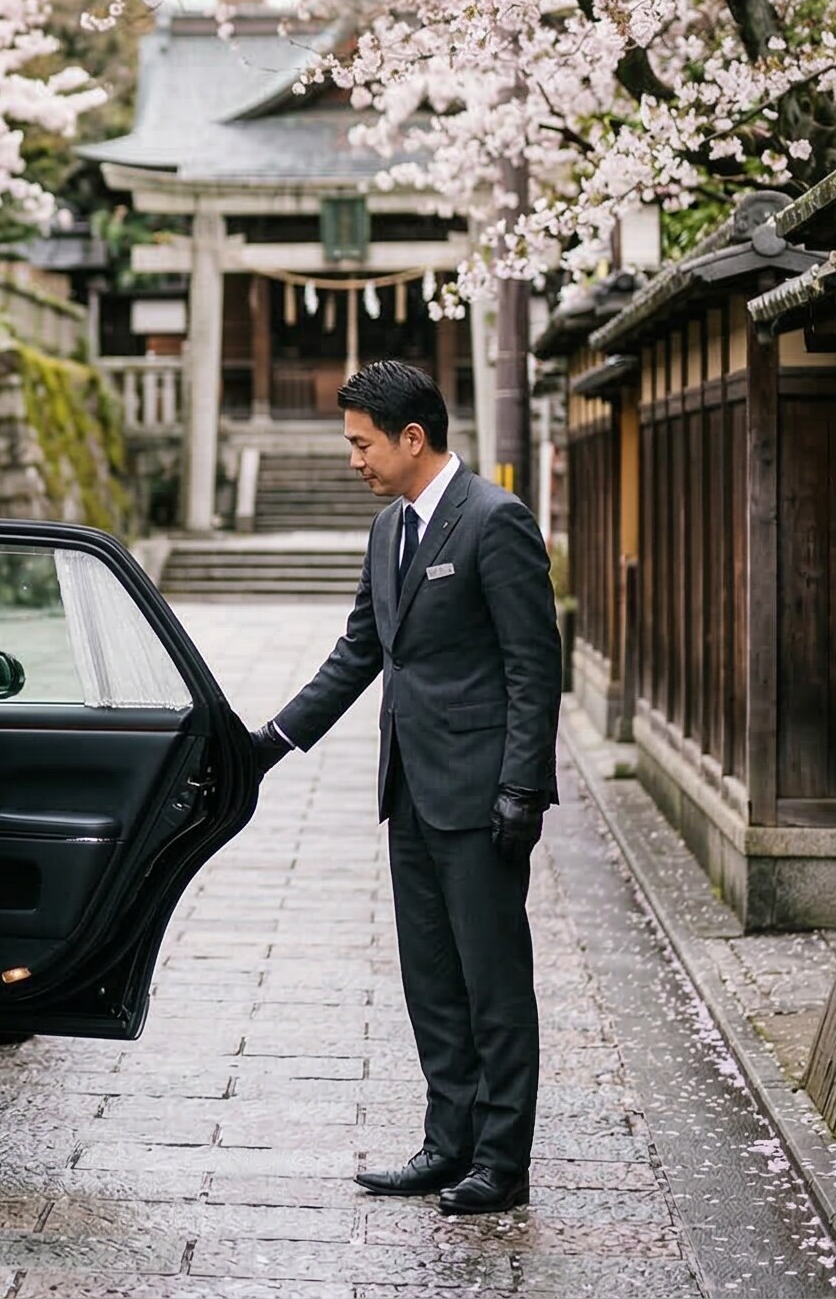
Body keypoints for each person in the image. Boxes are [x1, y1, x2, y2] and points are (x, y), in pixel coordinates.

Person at [249, 360, 560, 1216]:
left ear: (411, 437)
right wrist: (268, 743)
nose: (354, 459)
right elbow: (359, 652)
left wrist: (522, 791)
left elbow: (536, 669)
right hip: (410, 792)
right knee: (430, 976)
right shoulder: (388, 529)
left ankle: (503, 1161)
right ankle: (445, 1142)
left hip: (484, 796)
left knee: (492, 981)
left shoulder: (496, 521)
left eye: (361, 443)